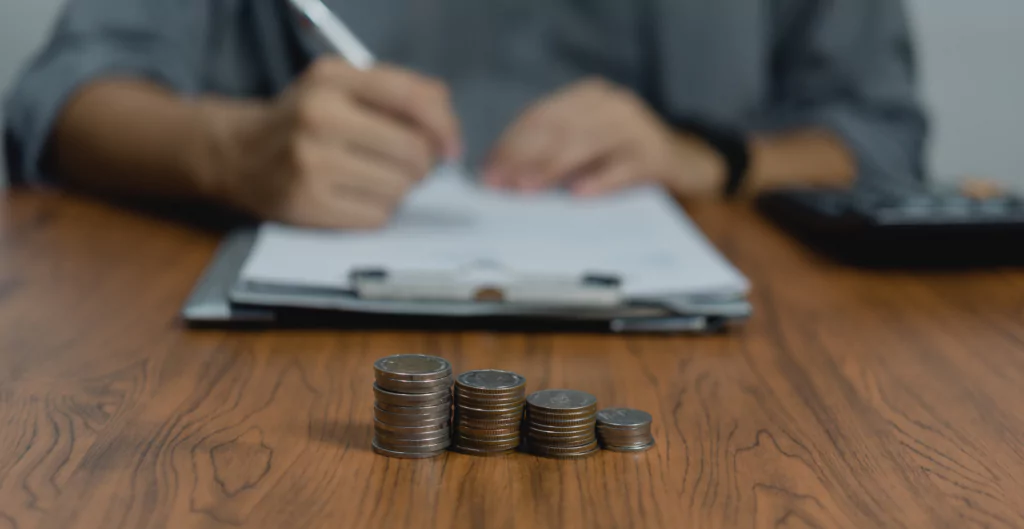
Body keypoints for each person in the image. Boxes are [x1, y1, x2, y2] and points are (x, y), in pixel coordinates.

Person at [4, 0, 927, 229]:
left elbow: (881, 139)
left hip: (747, 381)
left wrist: (715, 159)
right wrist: (228, 149)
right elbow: (59, 102)